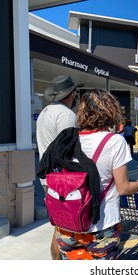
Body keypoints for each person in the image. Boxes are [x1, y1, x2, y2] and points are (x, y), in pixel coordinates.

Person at [55, 89, 138, 260]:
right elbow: (124, 188)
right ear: (110, 110)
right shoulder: (114, 142)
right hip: (100, 227)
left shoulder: (68, 139)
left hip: (68, 226)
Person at [36, 74, 81, 260]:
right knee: (67, 228)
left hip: (47, 177)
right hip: (62, 179)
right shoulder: (67, 115)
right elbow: (68, 151)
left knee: (58, 224)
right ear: (71, 93)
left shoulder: (45, 112)